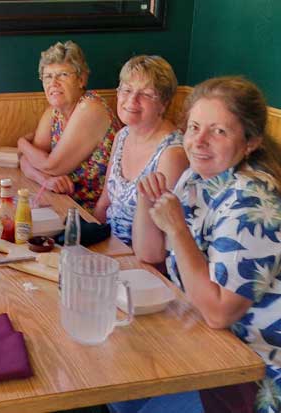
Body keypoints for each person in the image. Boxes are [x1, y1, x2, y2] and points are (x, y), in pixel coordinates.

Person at [132, 76, 281, 413]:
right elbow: (149, 253)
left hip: (256, 372)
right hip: (202, 343)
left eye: (219, 131)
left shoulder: (253, 204)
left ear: (251, 141)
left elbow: (218, 312)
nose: (198, 141)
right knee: (122, 395)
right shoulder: (199, 176)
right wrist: (147, 200)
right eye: (194, 127)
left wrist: (178, 230)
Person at [93, 55, 188, 245]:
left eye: (145, 94)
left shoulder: (172, 153)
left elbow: (165, 238)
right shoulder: (122, 135)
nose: (132, 100)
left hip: (142, 261)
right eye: (126, 90)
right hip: (107, 246)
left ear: (164, 103)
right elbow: (104, 203)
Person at [17, 40, 121, 212]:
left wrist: (21, 142)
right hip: (64, 205)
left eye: (63, 75)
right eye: (48, 76)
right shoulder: (54, 112)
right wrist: (45, 181)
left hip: (95, 214)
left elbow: (51, 166)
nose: (54, 83)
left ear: (81, 79)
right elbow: (25, 160)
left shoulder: (90, 107)